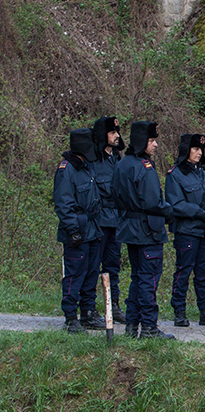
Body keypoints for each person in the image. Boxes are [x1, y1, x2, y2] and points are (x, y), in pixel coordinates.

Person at [112, 121, 175, 339]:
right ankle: (149, 327)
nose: (156, 145)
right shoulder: (144, 166)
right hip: (148, 230)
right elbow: (153, 202)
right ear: (142, 142)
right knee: (149, 278)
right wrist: (170, 211)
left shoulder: (121, 164)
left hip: (129, 228)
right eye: (151, 141)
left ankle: (131, 326)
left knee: (137, 277)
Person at [166, 134, 205, 328]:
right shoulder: (175, 174)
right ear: (186, 150)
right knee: (183, 271)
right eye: (195, 149)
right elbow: (176, 204)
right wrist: (200, 213)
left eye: (201, 150)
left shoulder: (202, 173)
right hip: (187, 231)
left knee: (203, 273)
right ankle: (179, 311)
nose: (199, 153)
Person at [54, 128, 104, 333]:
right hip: (77, 228)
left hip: (92, 227)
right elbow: (63, 203)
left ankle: (88, 312)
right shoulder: (66, 170)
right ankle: (70, 317)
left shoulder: (87, 167)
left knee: (92, 273)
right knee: (75, 274)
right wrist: (73, 229)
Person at [90, 116, 126, 324]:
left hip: (116, 221)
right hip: (99, 221)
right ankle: (90, 308)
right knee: (93, 265)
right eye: (113, 133)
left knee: (113, 266)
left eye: (117, 132)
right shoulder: (93, 162)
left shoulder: (118, 160)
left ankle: (114, 305)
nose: (117, 136)